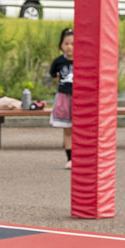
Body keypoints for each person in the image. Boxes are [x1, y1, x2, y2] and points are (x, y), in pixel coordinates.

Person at [48, 28, 74, 168]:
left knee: (80, 129)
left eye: (73, 44)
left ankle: (81, 157)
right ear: (61, 45)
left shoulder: (83, 60)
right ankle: (70, 158)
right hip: (64, 97)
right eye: (66, 43)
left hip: (80, 98)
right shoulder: (58, 62)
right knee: (67, 129)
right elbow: (53, 75)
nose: (69, 47)